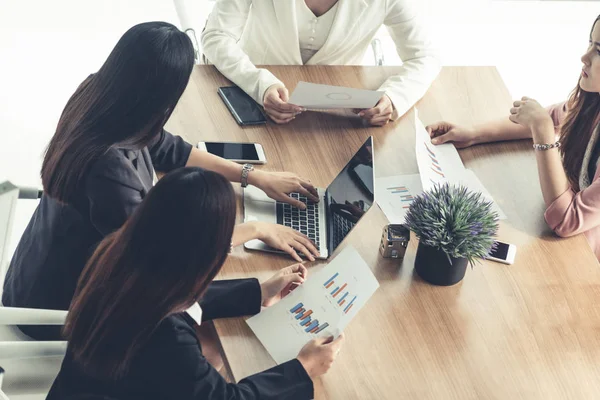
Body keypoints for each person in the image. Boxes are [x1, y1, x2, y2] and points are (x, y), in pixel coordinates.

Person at [2, 21, 320, 341]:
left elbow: (170, 149)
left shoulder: (102, 97)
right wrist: (257, 231)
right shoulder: (108, 171)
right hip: (57, 309)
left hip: (38, 271)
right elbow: (163, 261)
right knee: (221, 341)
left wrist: (253, 176)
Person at [46, 167, 344, 400]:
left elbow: (168, 294)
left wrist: (258, 291)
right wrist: (303, 368)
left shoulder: (117, 254)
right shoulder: (168, 337)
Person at [426, 15, 600, 260]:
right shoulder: (591, 101)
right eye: (589, 43)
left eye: (599, 50)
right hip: (565, 247)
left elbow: (566, 220)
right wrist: (473, 134)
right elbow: (550, 117)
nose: (584, 57)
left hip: (585, 265)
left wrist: (542, 131)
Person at [201, 0, 440, 126]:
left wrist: (392, 98)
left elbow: (425, 56)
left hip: (335, 118)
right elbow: (216, 37)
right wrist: (258, 84)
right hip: (251, 105)